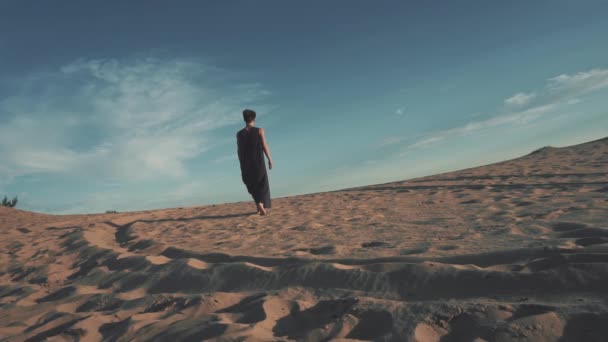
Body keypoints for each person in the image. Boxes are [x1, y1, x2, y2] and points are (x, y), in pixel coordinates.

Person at [236, 109, 273, 215]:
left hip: (245, 163)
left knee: (251, 184)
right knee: (262, 183)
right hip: (258, 161)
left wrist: (241, 163)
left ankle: (258, 206)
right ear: (254, 119)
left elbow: (238, 150)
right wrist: (269, 159)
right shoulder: (259, 130)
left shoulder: (239, 134)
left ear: (244, 119)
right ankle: (260, 204)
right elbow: (264, 145)